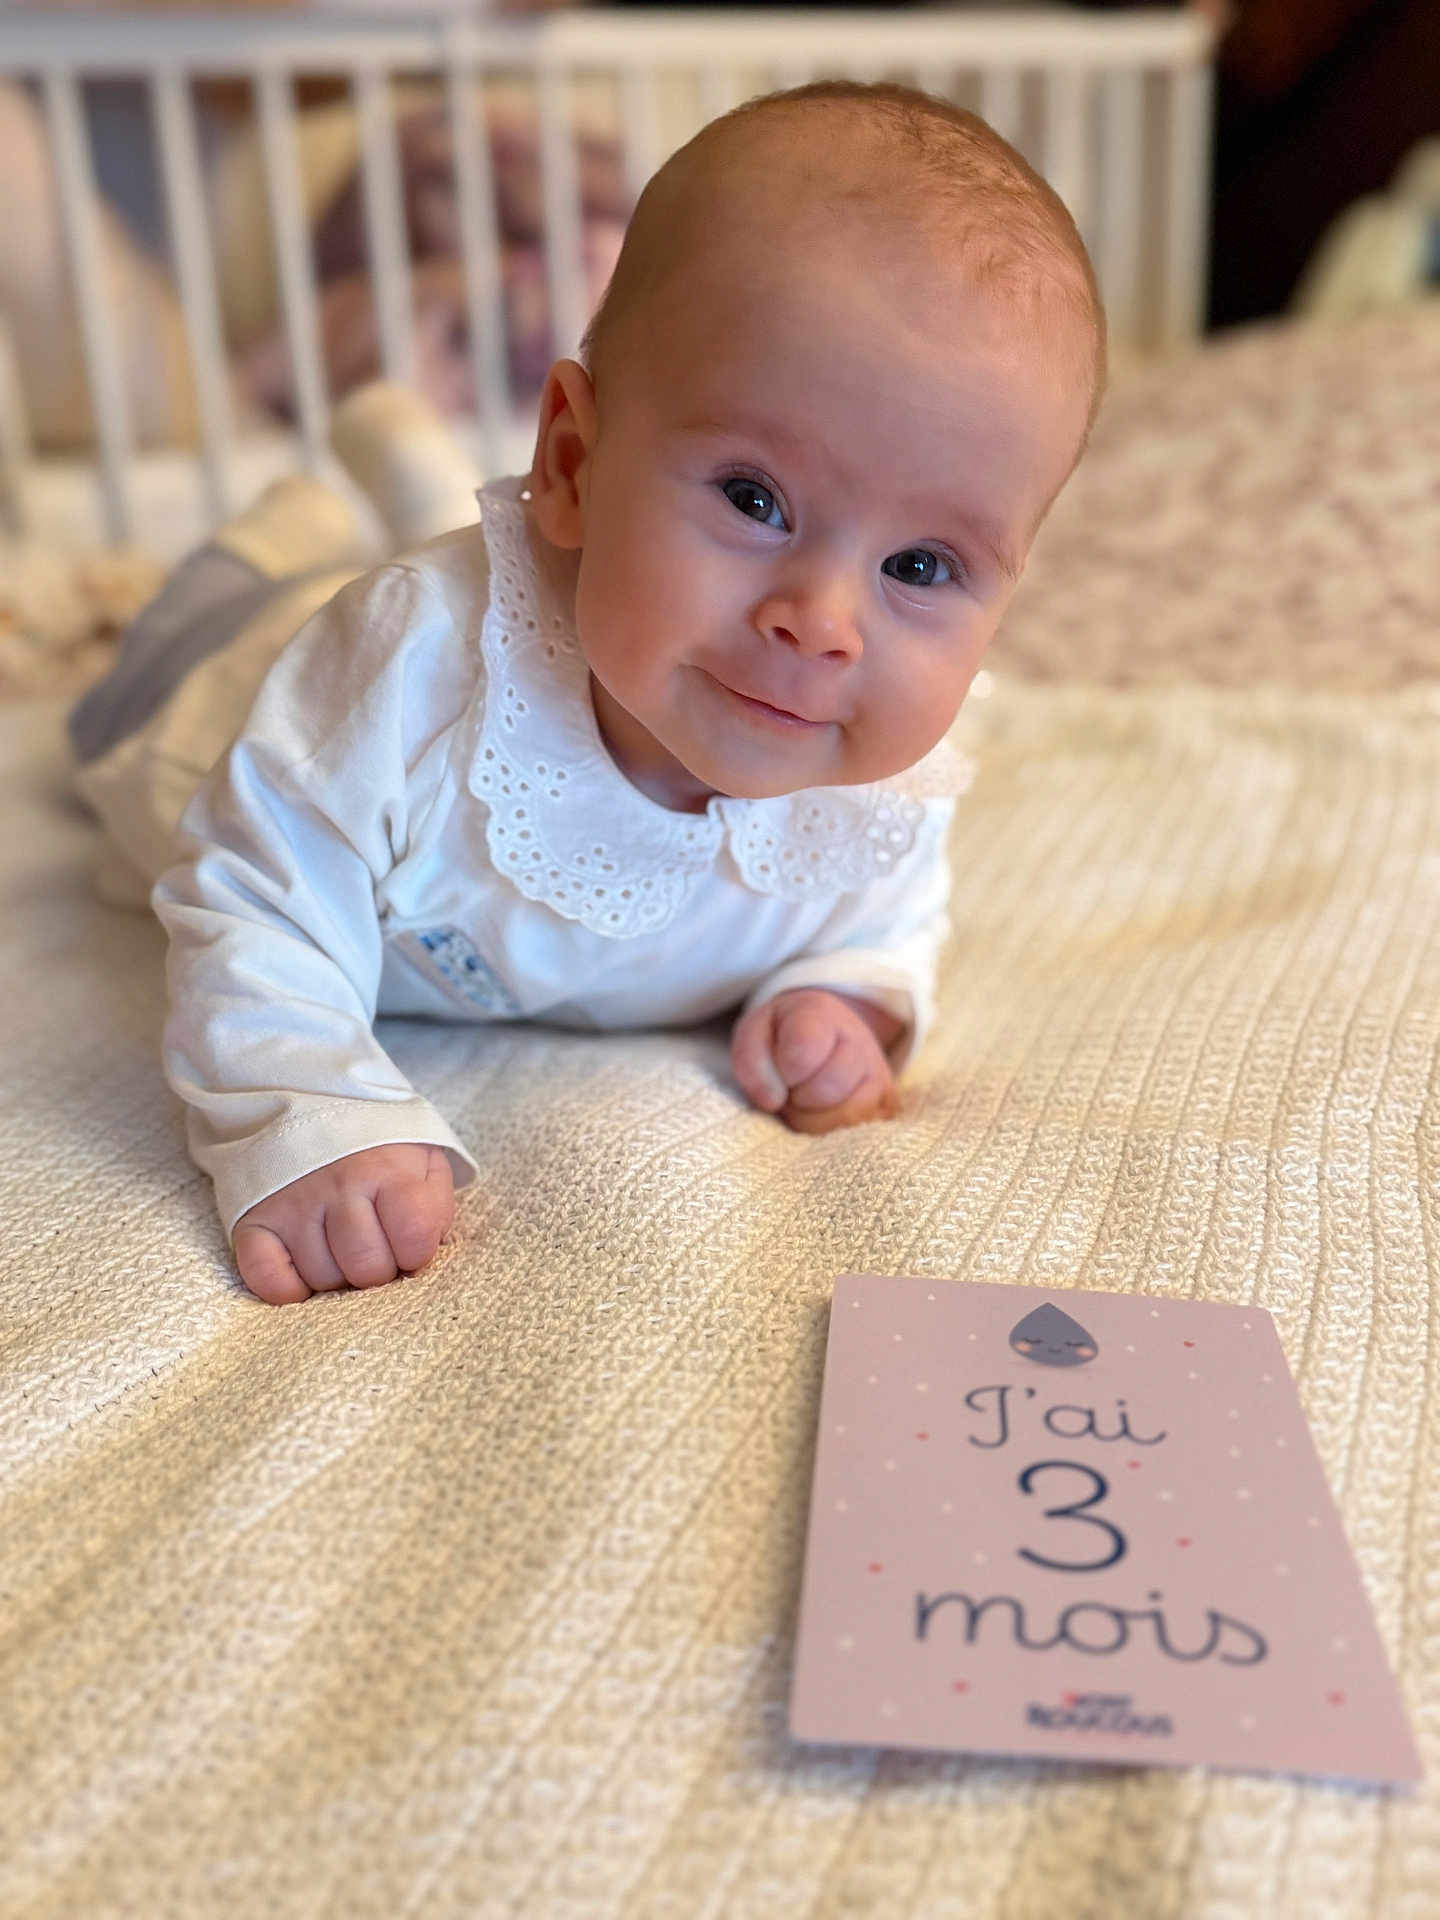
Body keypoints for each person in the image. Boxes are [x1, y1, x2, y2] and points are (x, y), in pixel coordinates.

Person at [71, 80, 1104, 1305]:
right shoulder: (413, 661)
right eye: (754, 499)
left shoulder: (875, 787)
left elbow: (888, 926)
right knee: (142, 685)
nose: (822, 624)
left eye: (921, 568)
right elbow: (260, 897)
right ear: (571, 456)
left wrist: (839, 996)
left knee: (458, 560)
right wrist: (307, 1112)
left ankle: (406, 475)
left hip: (517, 583)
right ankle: (284, 539)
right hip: (224, 707)